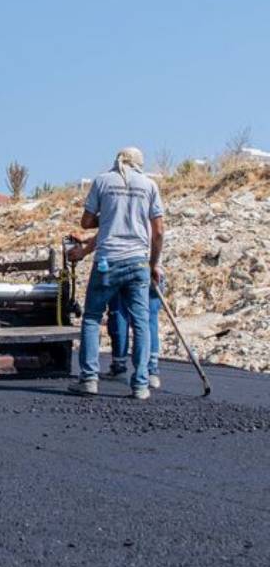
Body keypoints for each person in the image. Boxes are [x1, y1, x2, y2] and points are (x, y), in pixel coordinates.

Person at [69, 147, 164, 401]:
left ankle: (89, 379)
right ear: (139, 164)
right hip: (138, 263)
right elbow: (159, 231)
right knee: (141, 322)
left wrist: (110, 212)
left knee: (91, 318)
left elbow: (86, 223)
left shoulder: (102, 181)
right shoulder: (149, 186)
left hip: (108, 262)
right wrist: (153, 264)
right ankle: (141, 384)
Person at [68, 232, 163, 389]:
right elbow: (154, 233)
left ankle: (114, 367)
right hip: (145, 265)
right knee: (146, 320)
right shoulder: (148, 210)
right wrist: (154, 265)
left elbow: (110, 229)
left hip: (121, 262)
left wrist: (84, 249)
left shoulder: (122, 211)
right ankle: (149, 372)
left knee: (115, 313)